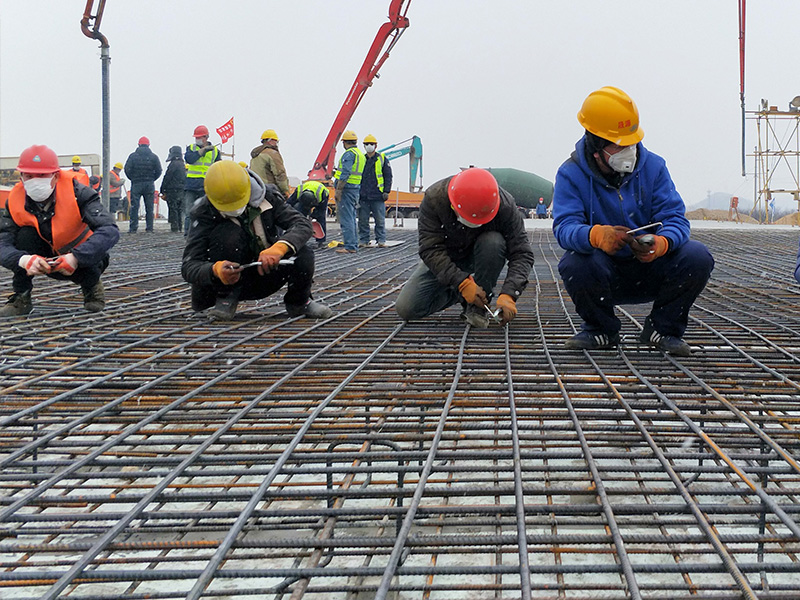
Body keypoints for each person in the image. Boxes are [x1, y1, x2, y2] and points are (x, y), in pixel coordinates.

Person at [553, 86, 715, 356]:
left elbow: (675, 218)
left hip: (649, 268)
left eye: (630, 141)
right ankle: (601, 329)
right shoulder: (571, 174)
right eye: (619, 144)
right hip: (604, 274)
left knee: (697, 256)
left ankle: (662, 329)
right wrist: (595, 236)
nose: (629, 150)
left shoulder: (654, 167)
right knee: (575, 262)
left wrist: (662, 244)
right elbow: (564, 228)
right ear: (596, 146)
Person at [182, 161, 332, 321]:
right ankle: (225, 299)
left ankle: (300, 302)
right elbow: (189, 266)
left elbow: (302, 225)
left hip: (264, 273)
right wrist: (215, 270)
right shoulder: (203, 212)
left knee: (303, 253)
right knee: (228, 233)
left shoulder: (268, 197)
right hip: (225, 282)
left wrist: (279, 248)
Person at [395, 168, 534, 328]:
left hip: (485, 253)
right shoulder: (435, 198)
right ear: (453, 206)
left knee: (493, 241)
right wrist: (461, 283)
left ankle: (477, 306)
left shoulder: (505, 206)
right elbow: (430, 249)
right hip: (447, 256)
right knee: (407, 308)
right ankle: (463, 294)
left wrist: (510, 294)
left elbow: (522, 253)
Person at [0, 145, 120, 316]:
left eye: (41, 175)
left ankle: (92, 287)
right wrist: (23, 260)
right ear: (21, 176)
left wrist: (76, 257)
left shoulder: (79, 193)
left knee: (95, 246)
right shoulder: (14, 200)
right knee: (24, 236)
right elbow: (2, 242)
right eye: (29, 175)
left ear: (55, 176)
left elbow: (110, 230)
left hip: (80, 261)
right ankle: (22, 297)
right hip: (40, 260)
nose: (35, 180)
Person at [184, 125, 221, 235]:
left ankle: (202, 232)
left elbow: (217, 168)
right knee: (189, 212)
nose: (197, 140)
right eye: (196, 138)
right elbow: (189, 159)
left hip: (205, 185)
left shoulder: (215, 151)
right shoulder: (191, 148)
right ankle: (188, 233)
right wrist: (201, 152)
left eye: (199, 137)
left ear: (206, 137)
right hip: (191, 185)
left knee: (204, 211)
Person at [358, 134, 392, 248]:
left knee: (380, 220)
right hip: (363, 196)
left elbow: (388, 176)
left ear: (376, 145)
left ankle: (381, 240)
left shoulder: (382, 159)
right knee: (363, 221)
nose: (369, 146)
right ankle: (364, 240)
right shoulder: (361, 159)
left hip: (377, 195)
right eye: (367, 144)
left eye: (371, 144)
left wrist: (386, 191)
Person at [333, 130, 363, 254]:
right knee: (351, 217)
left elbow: (345, 172)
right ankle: (353, 244)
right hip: (355, 188)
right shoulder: (359, 154)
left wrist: (339, 189)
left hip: (346, 189)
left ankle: (350, 246)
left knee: (346, 218)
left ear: (344, 142)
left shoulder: (349, 154)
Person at [124, 136, 162, 233]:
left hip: (136, 183)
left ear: (139, 145)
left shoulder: (133, 156)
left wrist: (133, 178)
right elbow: (159, 170)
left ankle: (133, 228)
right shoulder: (154, 157)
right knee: (149, 207)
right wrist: (152, 179)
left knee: (134, 207)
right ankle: (149, 228)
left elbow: (127, 169)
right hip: (149, 184)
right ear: (148, 145)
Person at [288, 180, 329, 247]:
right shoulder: (298, 191)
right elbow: (289, 203)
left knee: (321, 217)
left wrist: (313, 216)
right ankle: (299, 238)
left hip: (319, 198)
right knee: (299, 217)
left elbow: (322, 209)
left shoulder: (323, 194)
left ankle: (321, 241)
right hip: (302, 203)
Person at [249, 129, 289, 196]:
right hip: (269, 192)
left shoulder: (255, 155)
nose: (276, 143)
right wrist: (285, 190)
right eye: (275, 141)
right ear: (270, 141)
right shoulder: (273, 154)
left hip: (255, 191)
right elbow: (280, 174)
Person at [160, 146, 186, 233]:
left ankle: (174, 227)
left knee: (173, 208)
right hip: (181, 190)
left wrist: (162, 189)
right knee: (180, 208)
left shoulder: (173, 164)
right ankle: (180, 226)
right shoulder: (182, 164)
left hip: (172, 190)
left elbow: (167, 177)